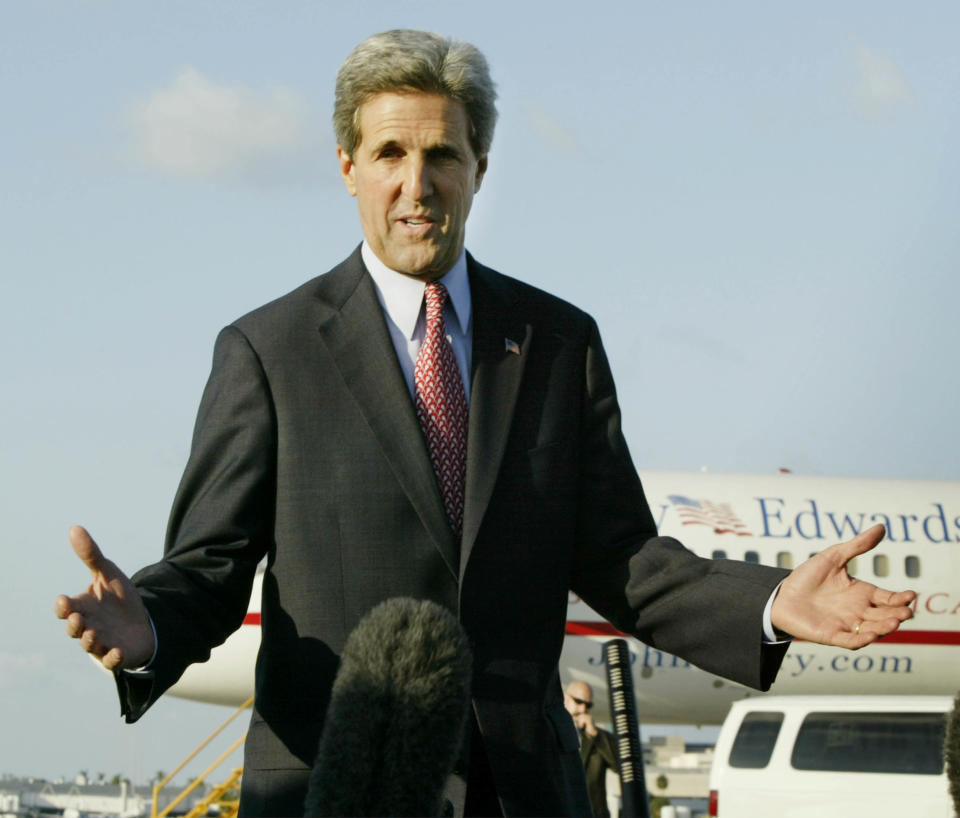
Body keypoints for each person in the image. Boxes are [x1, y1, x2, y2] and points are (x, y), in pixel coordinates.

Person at [55, 29, 917, 818]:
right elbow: (212, 566)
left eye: (443, 153)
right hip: (337, 784)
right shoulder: (268, 351)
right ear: (348, 165)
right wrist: (150, 628)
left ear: (480, 168)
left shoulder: (557, 342)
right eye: (390, 151)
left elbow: (620, 555)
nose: (416, 182)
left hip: (522, 791)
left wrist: (767, 603)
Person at [564, 681, 618, 818]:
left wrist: (595, 736)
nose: (583, 709)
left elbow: (621, 766)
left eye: (588, 705)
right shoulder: (549, 732)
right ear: (565, 698)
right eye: (578, 702)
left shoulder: (599, 737)